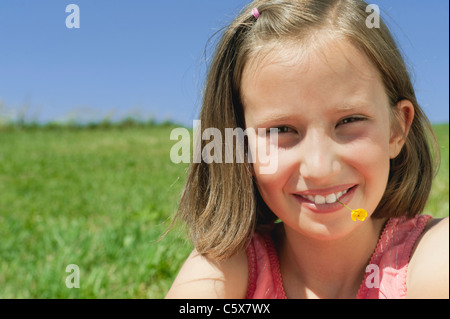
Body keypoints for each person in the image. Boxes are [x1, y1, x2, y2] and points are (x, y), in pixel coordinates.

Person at [165, 0, 449, 299]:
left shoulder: (434, 255)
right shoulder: (227, 268)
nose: (319, 168)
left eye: (350, 120)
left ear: (396, 129)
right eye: (281, 130)